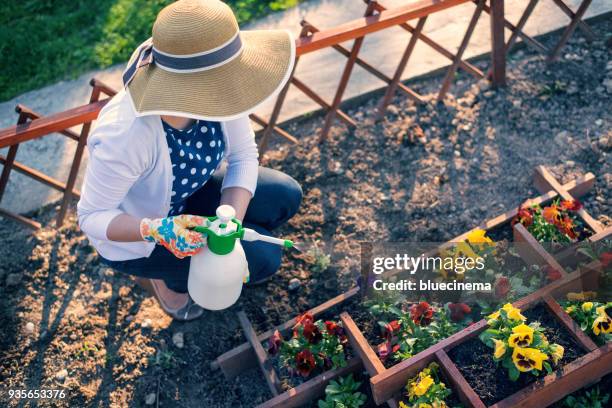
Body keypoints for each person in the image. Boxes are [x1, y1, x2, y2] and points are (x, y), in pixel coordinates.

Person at [77, 0, 302, 321]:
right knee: (265, 258)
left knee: (284, 196)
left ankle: (193, 262)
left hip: (185, 194)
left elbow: (243, 156)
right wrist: (158, 229)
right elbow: (91, 217)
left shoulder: (223, 93)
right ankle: (167, 280)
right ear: (192, 88)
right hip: (142, 230)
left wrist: (231, 223)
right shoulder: (127, 136)